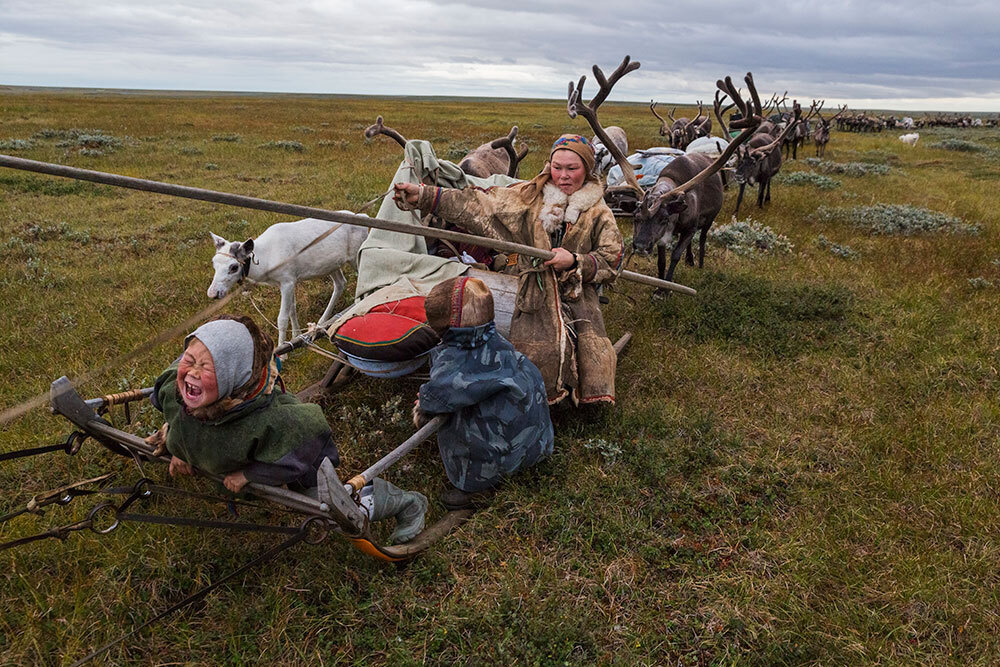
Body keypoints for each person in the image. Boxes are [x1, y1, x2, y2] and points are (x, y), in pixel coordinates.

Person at [146, 314, 427, 544]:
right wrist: (177, 446)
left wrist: (249, 474)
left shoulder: (273, 422)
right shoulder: (175, 390)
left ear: (234, 377)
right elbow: (177, 415)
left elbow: (309, 434)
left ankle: (406, 503)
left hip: (292, 465)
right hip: (224, 454)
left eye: (206, 367)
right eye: (189, 360)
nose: (191, 372)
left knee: (333, 509)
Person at [394, 134, 624, 405]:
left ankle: (566, 389)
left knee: (591, 354)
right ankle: (535, 394)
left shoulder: (598, 212)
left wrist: (575, 261)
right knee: (534, 347)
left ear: (586, 169)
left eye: (572, 168)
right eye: (557, 167)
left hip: (576, 292)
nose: (562, 175)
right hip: (531, 288)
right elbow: (478, 205)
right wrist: (424, 195)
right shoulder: (529, 197)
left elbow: (613, 259)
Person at [412, 277, 554, 509]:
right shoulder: (499, 341)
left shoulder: (453, 362)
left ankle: (478, 486)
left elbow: (433, 400)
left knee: (459, 420)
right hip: (539, 445)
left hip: (500, 459)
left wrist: (425, 402)